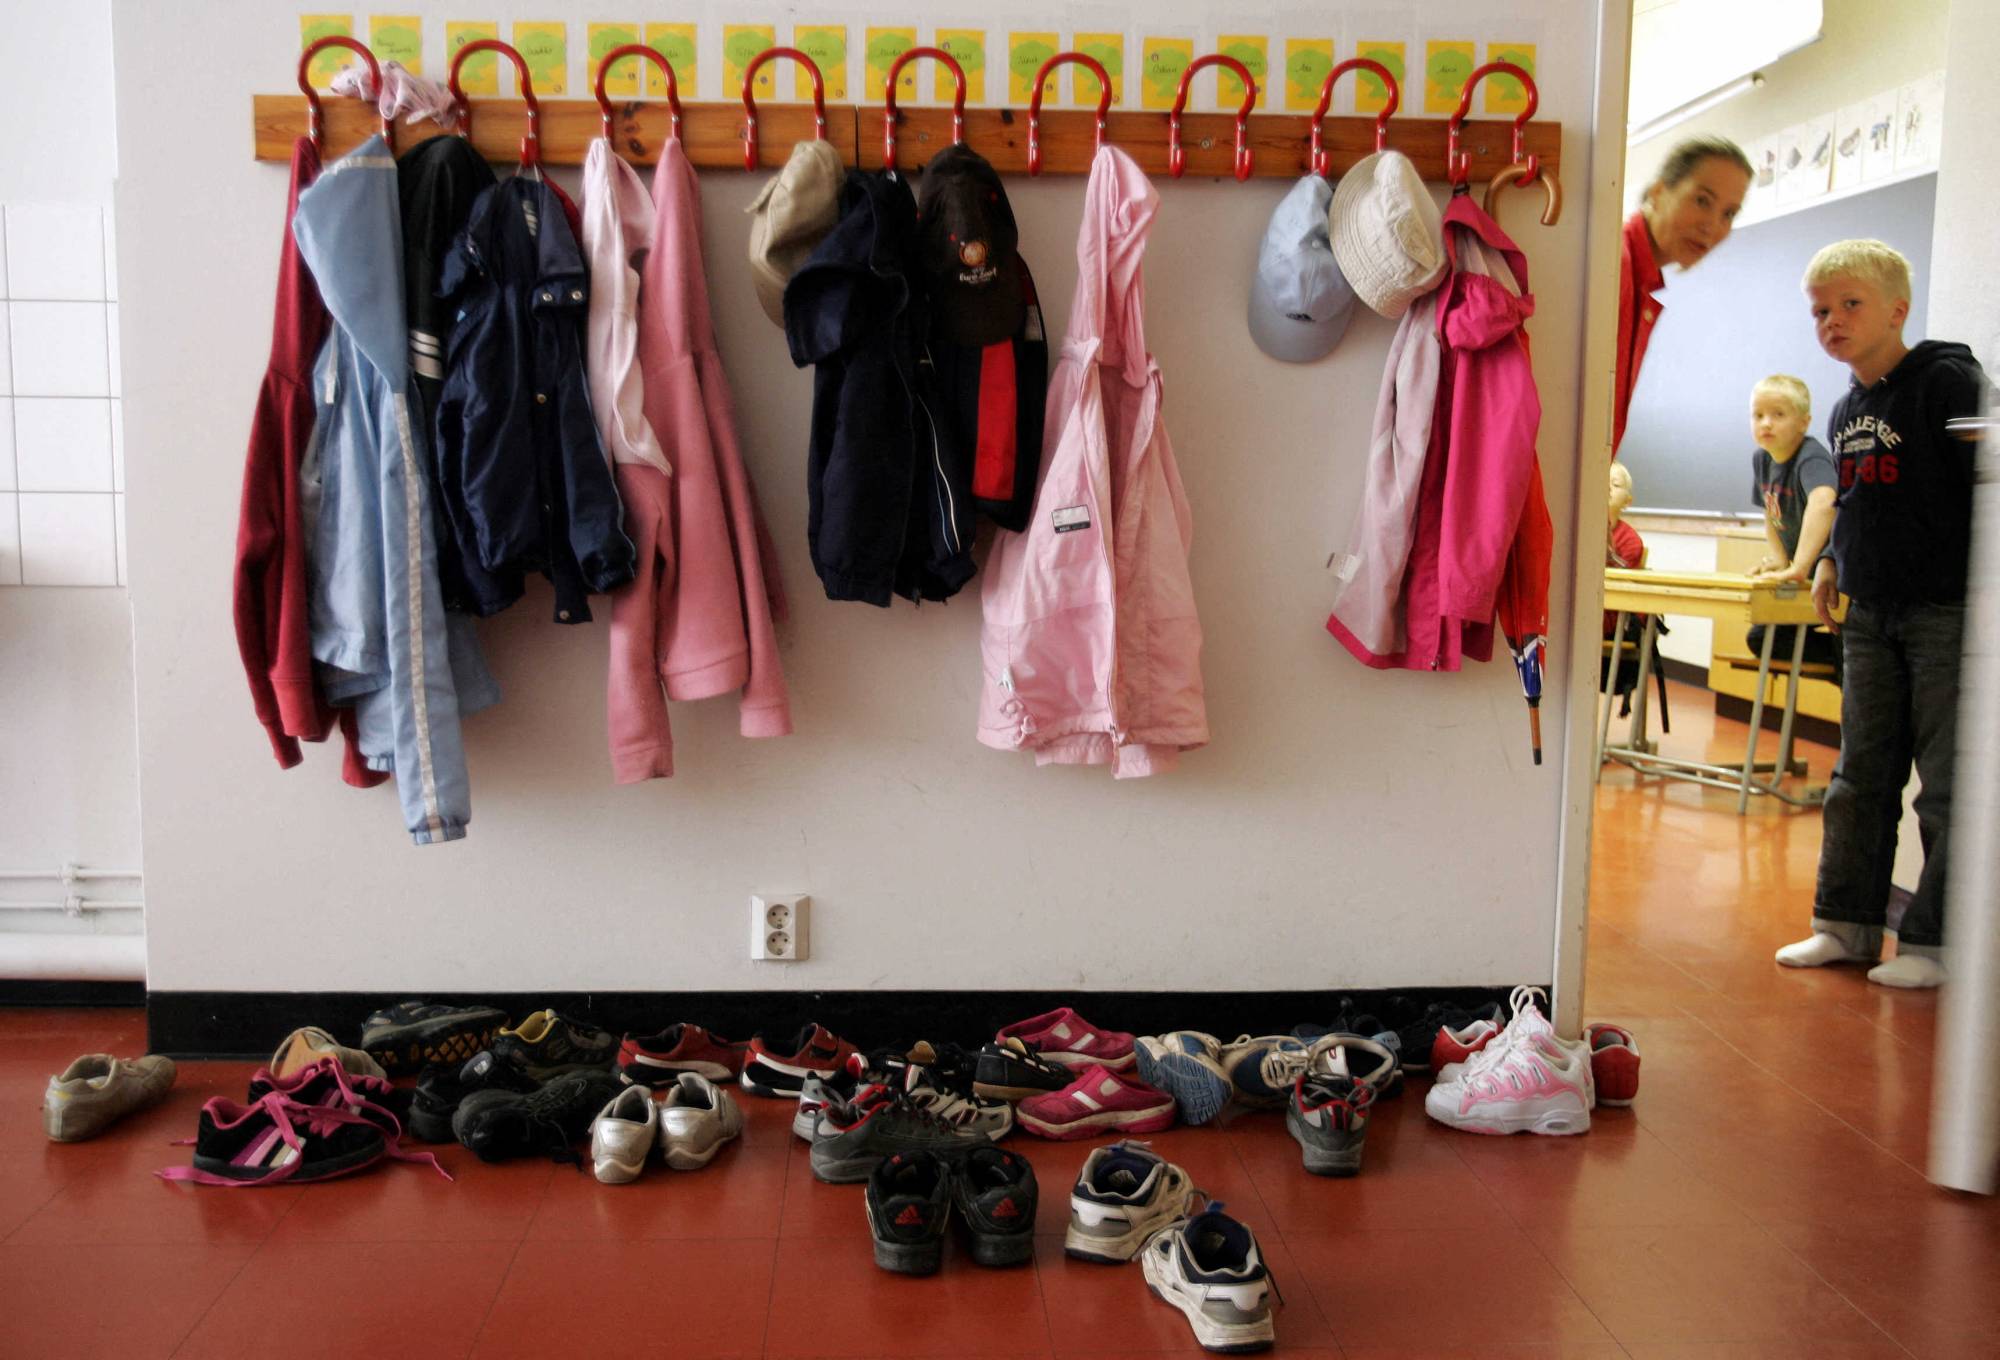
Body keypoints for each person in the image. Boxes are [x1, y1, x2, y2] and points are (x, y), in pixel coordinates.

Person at [1775, 239, 1989, 989]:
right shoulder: (1844, 409)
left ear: (1898, 309)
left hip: (1943, 613)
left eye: (1849, 305)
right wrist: (1832, 562)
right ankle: (1846, 924)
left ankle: (1935, 944)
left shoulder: (1949, 383)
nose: (1831, 321)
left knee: (1947, 781)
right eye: (1820, 311)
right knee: (1860, 775)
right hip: (1869, 615)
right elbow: (1860, 500)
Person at [1616, 136, 1753, 454]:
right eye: (1703, 201)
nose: (1712, 225)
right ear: (1658, 192)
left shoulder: (1640, 276)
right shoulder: (1615, 266)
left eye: (1729, 214)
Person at [1744, 374, 1841, 676]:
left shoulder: (1810, 457)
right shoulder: (1762, 459)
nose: (1766, 423)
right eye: (1758, 415)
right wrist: (1778, 558)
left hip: (1832, 574)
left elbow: (1825, 501)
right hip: (1805, 582)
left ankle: (1850, 659)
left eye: (1778, 414)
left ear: (1803, 422)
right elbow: (1769, 509)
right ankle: (1846, 659)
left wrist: (1799, 565)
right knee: (1762, 638)